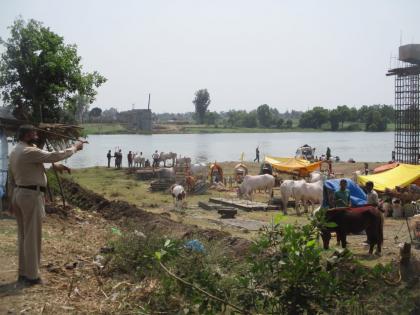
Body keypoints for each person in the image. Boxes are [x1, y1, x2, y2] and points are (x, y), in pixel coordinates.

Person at [7, 125, 83, 285]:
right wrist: (75, 147)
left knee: (24, 235)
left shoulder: (17, 150)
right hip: (30, 195)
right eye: (34, 133)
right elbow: (54, 155)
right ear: (27, 135)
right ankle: (32, 276)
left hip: (20, 194)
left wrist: (10, 199)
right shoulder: (29, 151)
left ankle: (23, 272)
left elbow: (21, 171)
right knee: (32, 236)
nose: (36, 135)